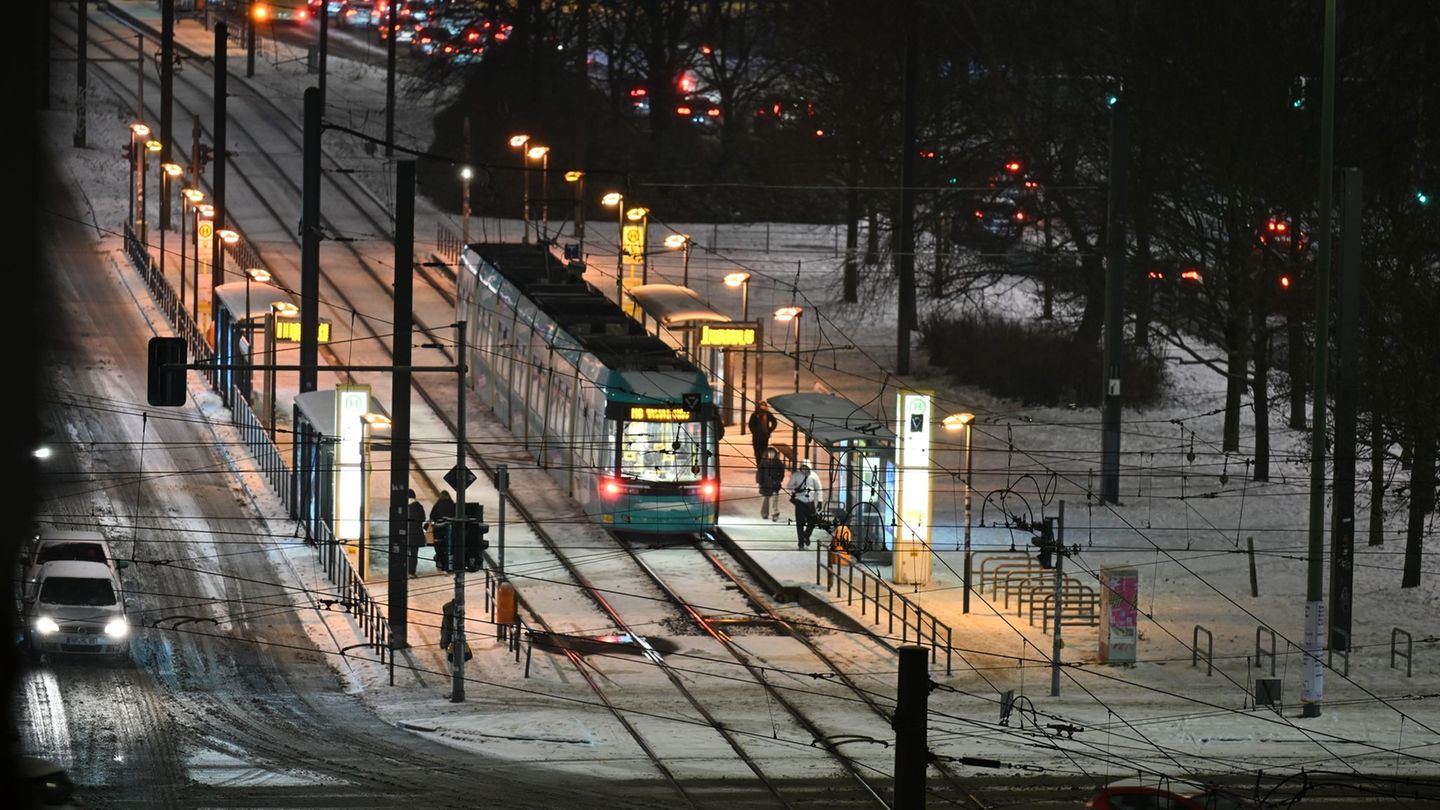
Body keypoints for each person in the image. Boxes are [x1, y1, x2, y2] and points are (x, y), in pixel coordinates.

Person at [787, 460, 823, 549]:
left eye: (806, 467)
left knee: (813, 521)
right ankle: (801, 543)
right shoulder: (796, 475)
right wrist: (795, 490)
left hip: (810, 502)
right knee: (800, 523)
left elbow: (819, 488)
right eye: (803, 467)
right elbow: (789, 486)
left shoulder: (814, 476)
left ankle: (806, 535)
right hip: (799, 501)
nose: (804, 469)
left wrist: (820, 500)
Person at [755, 447, 786, 522]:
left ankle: (774, 513)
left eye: (773, 453)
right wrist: (759, 482)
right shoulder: (763, 462)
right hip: (765, 484)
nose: (771, 455)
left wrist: (779, 480)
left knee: (774, 500)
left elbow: (782, 472)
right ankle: (764, 513)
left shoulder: (778, 462)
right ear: (767, 454)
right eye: (770, 453)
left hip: (775, 484)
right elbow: (759, 473)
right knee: (765, 499)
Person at [429, 490, 456, 573]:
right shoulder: (452, 505)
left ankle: (440, 563)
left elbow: (432, 516)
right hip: (451, 530)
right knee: (451, 547)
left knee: (439, 547)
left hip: (439, 530)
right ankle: (450, 564)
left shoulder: (437, 505)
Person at [405, 489, 427, 577]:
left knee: (403, 553)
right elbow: (423, 518)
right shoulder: (418, 506)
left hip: (405, 533)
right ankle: (411, 571)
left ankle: (403, 569)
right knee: (413, 554)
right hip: (416, 534)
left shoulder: (403, 506)